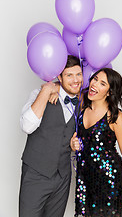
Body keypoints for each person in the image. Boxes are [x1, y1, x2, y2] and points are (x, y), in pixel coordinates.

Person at [19, 55, 83, 217]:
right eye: (69, 75)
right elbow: (27, 126)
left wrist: (75, 143)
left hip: (62, 176)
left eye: (79, 74)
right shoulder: (40, 94)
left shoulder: (84, 102)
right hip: (36, 174)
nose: (76, 80)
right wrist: (47, 89)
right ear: (59, 77)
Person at [71, 68, 122, 217]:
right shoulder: (82, 107)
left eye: (102, 83)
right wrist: (73, 144)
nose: (94, 84)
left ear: (110, 92)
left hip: (109, 180)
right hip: (85, 179)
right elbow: (80, 141)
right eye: (95, 79)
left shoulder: (115, 117)